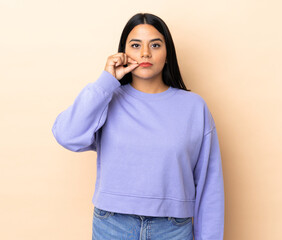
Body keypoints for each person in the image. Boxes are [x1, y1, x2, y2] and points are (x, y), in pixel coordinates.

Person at [52, 12, 224, 240]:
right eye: (135, 45)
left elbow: (209, 184)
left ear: (167, 52)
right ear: (123, 53)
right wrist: (106, 81)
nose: (145, 53)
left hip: (172, 229)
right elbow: (67, 135)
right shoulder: (107, 98)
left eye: (155, 44)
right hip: (112, 225)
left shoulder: (193, 107)